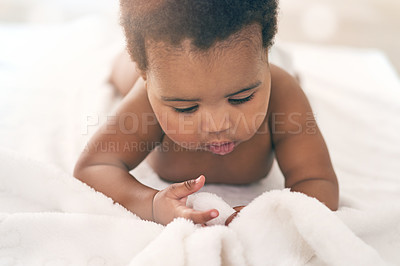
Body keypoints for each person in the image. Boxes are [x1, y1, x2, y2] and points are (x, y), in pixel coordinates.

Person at [73, 0, 339, 226]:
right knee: (123, 72)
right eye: (185, 108)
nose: (217, 124)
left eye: (241, 98)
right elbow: (94, 166)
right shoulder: (147, 97)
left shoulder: (282, 95)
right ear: (149, 82)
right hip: (154, 69)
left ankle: (278, 59)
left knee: (284, 70)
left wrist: (274, 215)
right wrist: (151, 203)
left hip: (262, 62)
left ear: (264, 58)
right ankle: (126, 61)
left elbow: (317, 181)